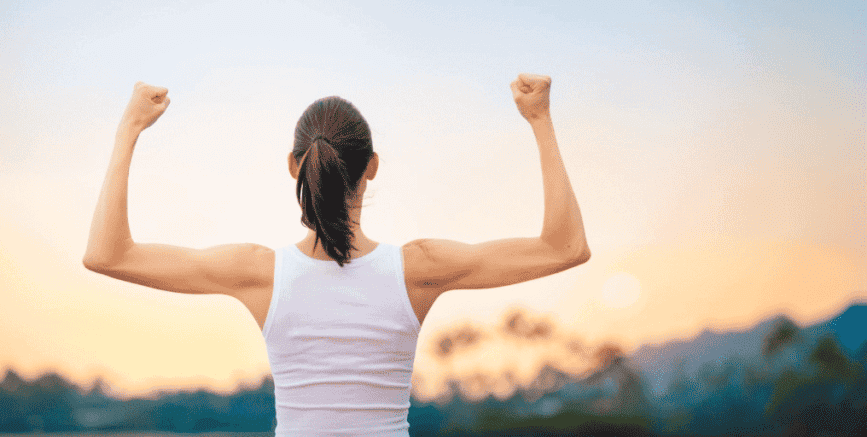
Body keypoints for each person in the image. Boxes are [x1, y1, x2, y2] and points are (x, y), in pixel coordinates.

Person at [84, 73, 590, 436]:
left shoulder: (260, 272)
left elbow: (108, 255)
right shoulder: (420, 268)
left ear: (293, 167)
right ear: (371, 167)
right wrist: (540, 119)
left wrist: (128, 128)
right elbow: (564, 248)